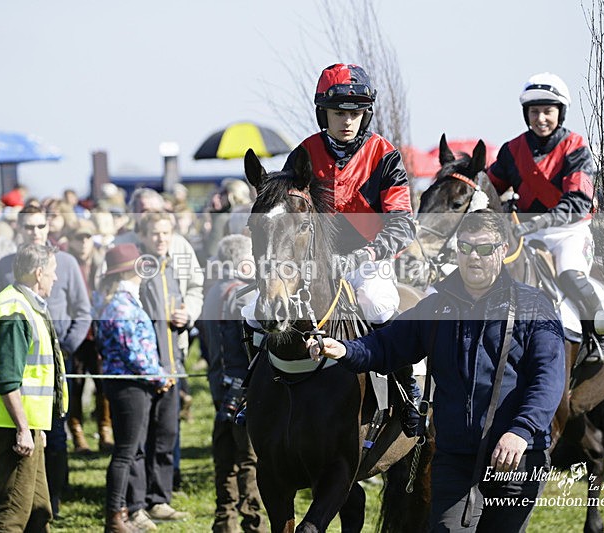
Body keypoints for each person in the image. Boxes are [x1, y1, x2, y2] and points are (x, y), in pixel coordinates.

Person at [307, 211, 565, 531]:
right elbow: (386, 345)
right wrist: (345, 350)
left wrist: (520, 431)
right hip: (455, 460)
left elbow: (548, 379)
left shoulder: (535, 305)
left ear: (502, 251)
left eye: (484, 249)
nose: (473, 256)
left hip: (515, 458)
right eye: (465, 247)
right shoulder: (436, 306)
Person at [276, 62, 420, 431]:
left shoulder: (384, 154)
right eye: (339, 113)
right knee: (253, 310)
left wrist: (367, 254)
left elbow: (403, 222)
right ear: (323, 113)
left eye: (355, 113)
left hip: (368, 258)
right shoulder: (304, 153)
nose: (347, 121)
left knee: (377, 302)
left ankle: (406, 390)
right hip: (313, 262)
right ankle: (251, 388)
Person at [487, 72, 602, 358]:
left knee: (571, 276)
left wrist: (542, 220)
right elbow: (490, 189)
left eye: (547, 111)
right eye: (534, 111)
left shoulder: (576, 147)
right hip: (525, 235)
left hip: (569, 233)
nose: (540, 118)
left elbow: (578, 201)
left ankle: (602, 335)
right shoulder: (512, 150)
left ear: (560, 113)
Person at [0, 204, 92, 517]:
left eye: (40, 226)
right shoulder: (6, 265)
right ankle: (29, 501)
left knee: (56, 434)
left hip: (55, 362)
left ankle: (54, 497)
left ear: (48, 228)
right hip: (19, 364)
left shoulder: (66, 263)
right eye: (29, 227)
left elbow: (83, 310)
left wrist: (65, 349)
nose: (35, 232)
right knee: (27, 435)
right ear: (19, 229)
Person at [0, 243, 68, 532]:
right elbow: (7, 379)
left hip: (25, 423)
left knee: (38, 508)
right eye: (52, 271)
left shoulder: (23, 304)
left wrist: (36, 427)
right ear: (39, 273)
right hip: (12, 425)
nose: (56, 277)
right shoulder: (15, 311)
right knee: (11, 512)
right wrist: (23, 428)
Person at [95, 243, 170, 533]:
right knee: (125, 453)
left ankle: (121, 513)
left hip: (132, 384)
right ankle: (115, 516)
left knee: (128, 451)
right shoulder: (121, 305)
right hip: (129, 386)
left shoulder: (122, 301)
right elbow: (134, 353)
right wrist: (160, 376)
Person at [125, 213, 191, 524]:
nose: (161, 238)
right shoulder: (136, 268)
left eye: (166, 233)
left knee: (166, 436)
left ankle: (159, 500)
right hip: (144, 371)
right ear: (142, 236)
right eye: (155, 233)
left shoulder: (171, 268)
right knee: (139, 441)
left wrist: (184, 317)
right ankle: (135, 505)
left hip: (171, 367)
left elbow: (176, 313)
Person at [200, 235, 267, 533]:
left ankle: (224, 520)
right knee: (250, 459)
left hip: (219, 384)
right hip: (242, 387)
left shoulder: (213, 291)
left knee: (225, 458)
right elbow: (250, 347)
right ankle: (254, 523)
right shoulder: (243, 295)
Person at [65, 219, 114, 454]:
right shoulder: (66, 263)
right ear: (70, 240)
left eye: (87, 237)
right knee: (75, 385)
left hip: (99, 332)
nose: (83, 242)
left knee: (104, 384)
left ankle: (105, 430)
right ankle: (77, 434)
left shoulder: (102, 262)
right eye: (78, 237)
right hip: (76, 332)